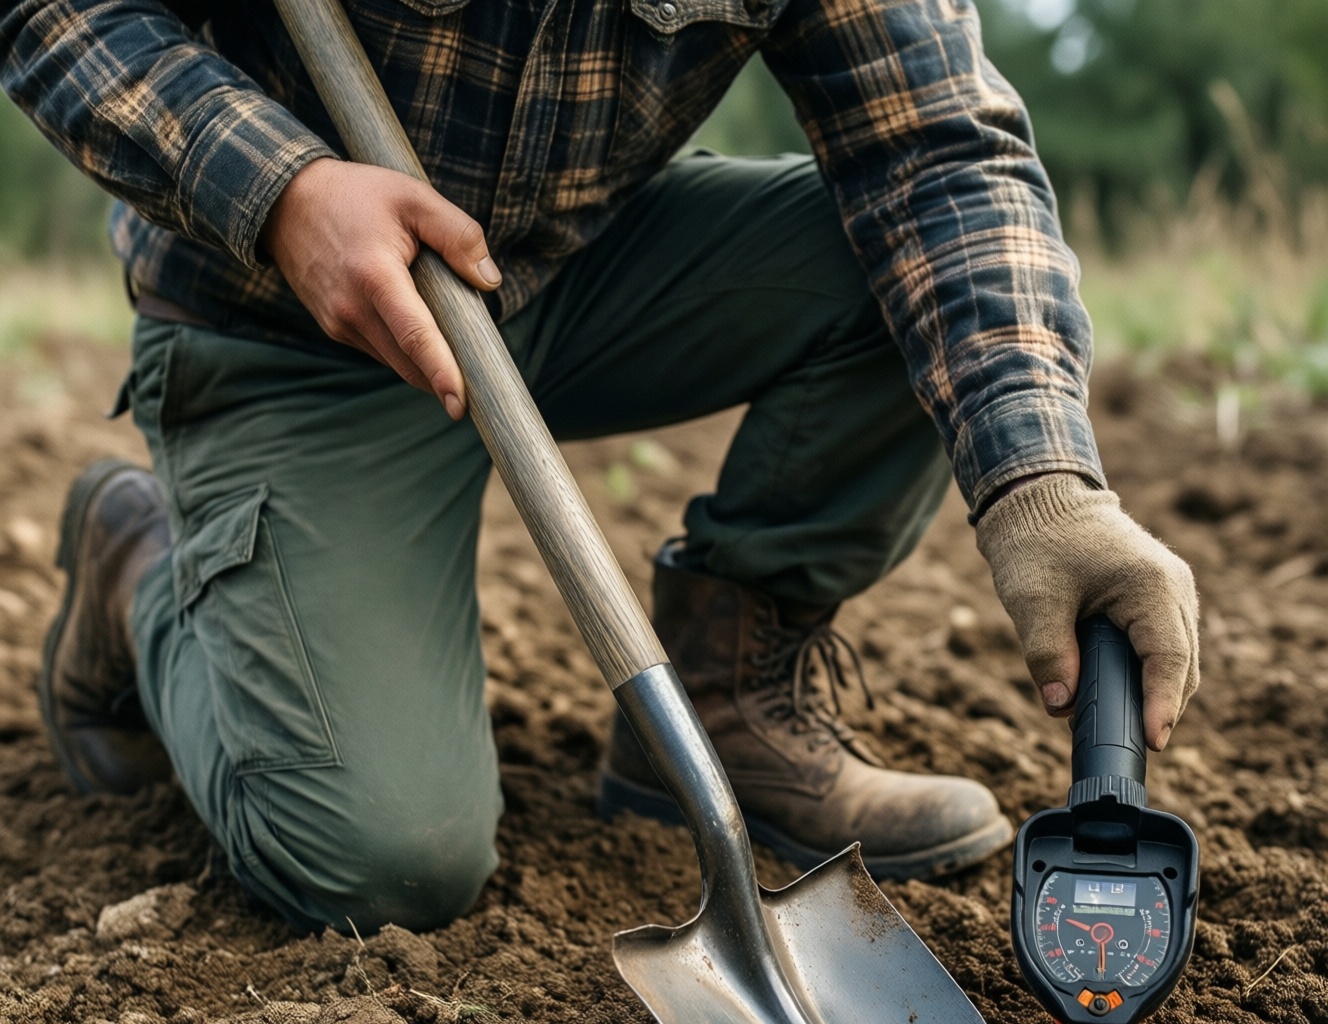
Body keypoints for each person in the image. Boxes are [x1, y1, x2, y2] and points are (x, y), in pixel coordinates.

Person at [1, 0, 1197, 935]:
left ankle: (723, 699)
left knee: (908, 272)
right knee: (381, 857)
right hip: (289, 324)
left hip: (566, 270)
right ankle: (142, 568)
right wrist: (277, 188)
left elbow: (938, 157)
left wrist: (1042, 481)